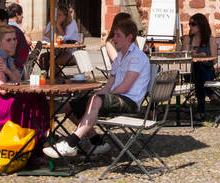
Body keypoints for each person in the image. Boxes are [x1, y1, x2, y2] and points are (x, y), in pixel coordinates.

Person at [44, 13, 150, 160]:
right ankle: (97, 142)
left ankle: (71, 143)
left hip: (129, 101)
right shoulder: (120, 57)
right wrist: (98, 93)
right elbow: (110, 82)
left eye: (118, 35)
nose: (114, 39)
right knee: (70, 106)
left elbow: (125, 87)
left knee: (96, 100)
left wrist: (100, 97)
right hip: (116, 96)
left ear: (129, 37)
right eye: (114, 35)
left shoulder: (137, 57)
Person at [0, 25, 48, 135]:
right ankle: (35, 138)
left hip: (1, 98)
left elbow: (17, 78)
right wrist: (10, 72)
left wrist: (8, 71)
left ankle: (43, 134)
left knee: (36, 96)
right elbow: (3, 89)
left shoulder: (7, 57)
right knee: (24, 104)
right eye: (8, 40)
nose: (13, 42)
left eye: (14, 39)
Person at [187, 13, 217, 117]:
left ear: (201, 25)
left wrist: (204, 59)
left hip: (207, 70)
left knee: (199, 69)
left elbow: (214, 60)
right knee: (197, 67)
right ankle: (210, 93)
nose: (190, 26)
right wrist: (198, 55)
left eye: (193, 24)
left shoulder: (210, 39)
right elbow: (184, 55)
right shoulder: (187, 39)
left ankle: (201, 110)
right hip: (189, 73)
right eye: (189, 24)